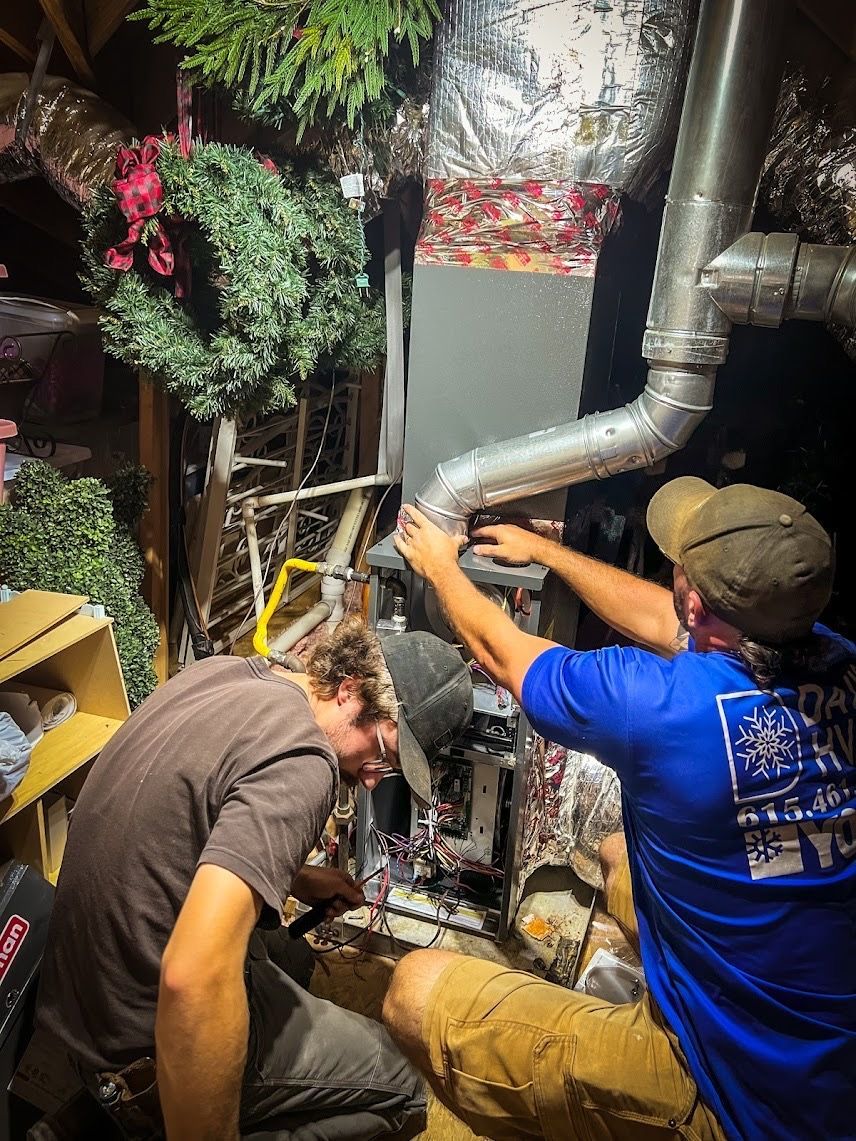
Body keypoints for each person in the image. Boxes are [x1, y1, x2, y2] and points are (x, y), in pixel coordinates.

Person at [385, 478, 855, 1141]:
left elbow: (504, 654)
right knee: (615, 852)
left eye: (680, 570)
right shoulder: (833, 657)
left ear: (697, 601)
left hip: (741, 1097)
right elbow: (671, 621)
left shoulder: (659, 708)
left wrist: (438, 567)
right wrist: (548, 554)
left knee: (414, 989)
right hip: (825, 1047)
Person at [35, 616, 473, 1141]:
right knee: (402, 1089)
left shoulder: (226, 673)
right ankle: (142, 1117)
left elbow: (187, 819)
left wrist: (294, 877)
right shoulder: (307, 766)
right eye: (382, 752)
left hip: (74, 1003)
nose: (376, 778)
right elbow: (193, 977)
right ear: (350, 690)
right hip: (137, 1050)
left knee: (290, 956)